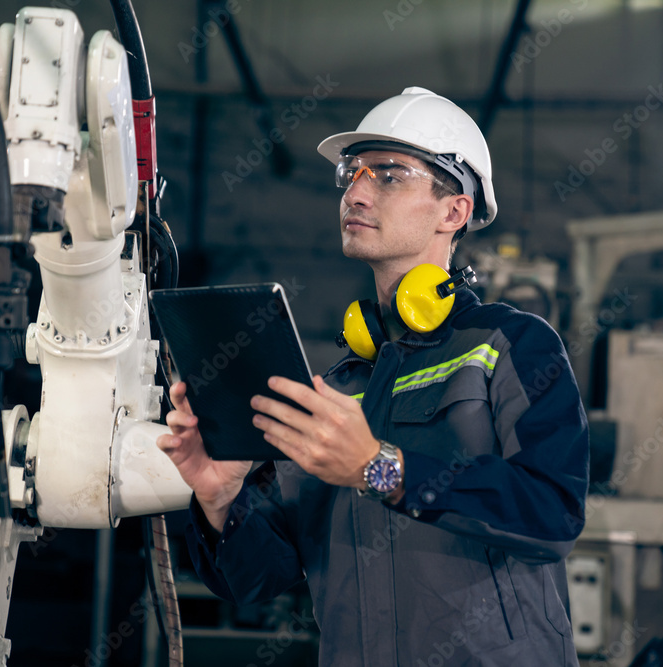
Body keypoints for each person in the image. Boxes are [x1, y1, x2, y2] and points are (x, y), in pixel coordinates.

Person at [158, 86, 589, 665]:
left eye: (389, 175)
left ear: (454, 211)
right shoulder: (335, 389)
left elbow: (552, 514)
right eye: (351, 172)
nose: (356, 191)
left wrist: (379, 468)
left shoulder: (511, 345)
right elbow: (258, 579)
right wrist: (219, 499)